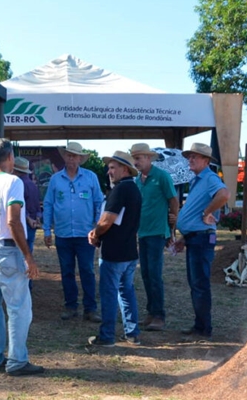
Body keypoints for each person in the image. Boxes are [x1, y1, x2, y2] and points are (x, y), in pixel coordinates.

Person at [0, 138, 43, 376]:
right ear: (10, 157)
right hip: (7, 250)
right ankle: (17, 360)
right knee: (19, 308)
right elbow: (13, 221)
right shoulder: (13, 182)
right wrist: (29, 257)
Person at [41, 141, 104, 322]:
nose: (71, 159)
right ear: (65, 157)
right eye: (68, 155)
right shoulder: (55, 179)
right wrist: (47, 230)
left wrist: (97, 227)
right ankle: (70, 306)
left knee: (87, 270)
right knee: (67, 271)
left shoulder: (91, 177)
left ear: (80, 159)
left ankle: (90, 308)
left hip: (86, 234)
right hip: (63, 234)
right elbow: (48, 204)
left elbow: (99, 202)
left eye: (75, 156)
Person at [173, 143, 230, 339]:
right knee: (196, 283)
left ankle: (203, 328)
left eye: (195, 157)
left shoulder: (209, 177)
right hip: (195, 238)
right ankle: (200, 325)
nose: (191, 160)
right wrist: (184, 237)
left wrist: (207, 212)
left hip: (202, 239)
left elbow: (224, 195)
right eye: (189, 157)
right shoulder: (198, 180)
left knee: (199, 284)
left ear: (206, 161)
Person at [87, 151, 142, 348]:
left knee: (110, 294)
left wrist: (95, 233)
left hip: (114, 253)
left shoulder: (119, 190)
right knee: (126, 292)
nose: (109, 172)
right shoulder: (134, 189)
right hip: (129, 251)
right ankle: (133, 333)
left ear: (124, 169)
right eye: (109, 168)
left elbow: (107, 220)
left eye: (113, 168)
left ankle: (107, 336)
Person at [130, 143, 179, 332]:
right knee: (146, 274)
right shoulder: (138, 180)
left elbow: (173, 202)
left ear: (149, 158)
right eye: (134, 158)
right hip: (142, 232)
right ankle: (151, 312)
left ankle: (159, 315)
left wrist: (171, 228)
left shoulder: (162, 176)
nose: (136, 161)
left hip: (157, 232)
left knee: (155, 274)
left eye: (139, 158)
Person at [14, 156, 41, 290]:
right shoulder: (32, 184)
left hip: (22, 225)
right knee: (28, 253)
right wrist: (36, 219)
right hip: (33, 224)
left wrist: (27, 219)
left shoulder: (18, 184)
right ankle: (28, 285)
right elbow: (37, 206)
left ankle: (23, 286)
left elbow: (18, 208)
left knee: (20, 257)